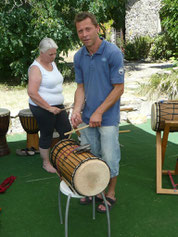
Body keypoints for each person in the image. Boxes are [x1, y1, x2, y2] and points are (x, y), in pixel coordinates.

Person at [71, 12, 124, 213]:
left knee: (109, 158)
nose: (84, 34)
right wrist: (77, 110)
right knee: (91, 156)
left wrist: (99, 112)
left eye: (87, 29)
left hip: (108, 118)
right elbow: (80, 87)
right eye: (80, 31)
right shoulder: (78, 56)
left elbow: (119, 88)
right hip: (87, 118)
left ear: (97, 28)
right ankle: (94, 189)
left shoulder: (113, 53)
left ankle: (110, 193)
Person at [28, 37, 71, 173]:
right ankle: (46, 163)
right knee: (47, 134)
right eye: (50, 54)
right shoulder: (36, 68)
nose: (54, 56)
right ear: (41, 52)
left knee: (66, 130)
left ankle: (64, 157)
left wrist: (56, 105)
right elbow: (32, 93)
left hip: (57, 105)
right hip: (41, 107)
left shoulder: (52, 63)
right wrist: (48, 107)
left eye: (55, 53)